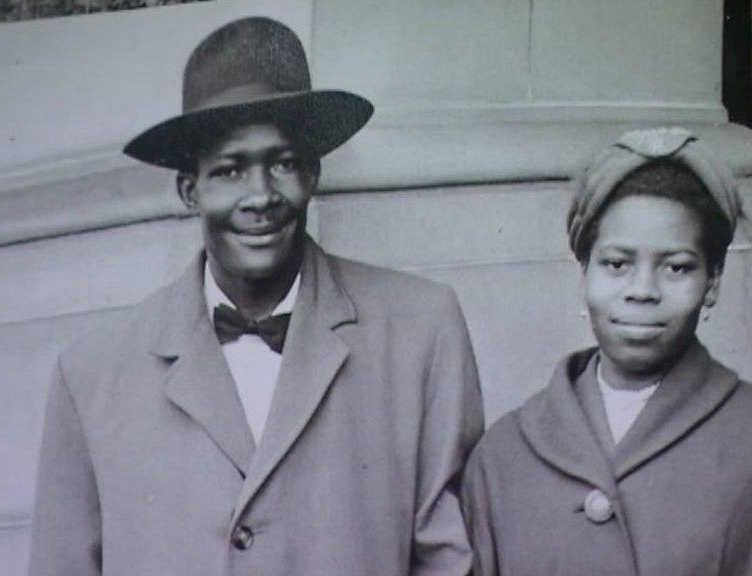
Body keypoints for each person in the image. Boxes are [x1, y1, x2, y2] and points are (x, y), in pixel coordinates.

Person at [29, 17, 483, 576]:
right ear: (189, 191)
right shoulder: (91, 375)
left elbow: (451, 559)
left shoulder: (422, 330)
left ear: (313, 174)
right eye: (230, 170)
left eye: (283, 163)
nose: (261, 195)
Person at [460, 127, 752, 576]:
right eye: (616, 264)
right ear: (584, 272)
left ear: (712, 282)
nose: (642, 291)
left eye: (676, 267)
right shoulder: (502, 456)